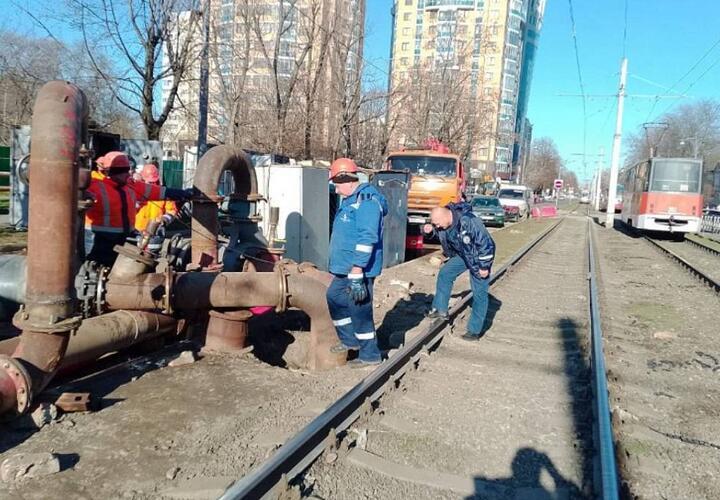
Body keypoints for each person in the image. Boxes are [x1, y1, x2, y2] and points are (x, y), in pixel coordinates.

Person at [326, 158, 388, 368]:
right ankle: (350, 340)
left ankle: (370, 354)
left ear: (346, 179)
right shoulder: (351, 200)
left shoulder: (367, 202)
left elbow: (367, 237)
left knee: (359, 309)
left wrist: (358, 268)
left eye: (336, 183)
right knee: (334, 296)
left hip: (359, 269)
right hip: (346, 266)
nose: (335, 188)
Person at [84, 152, 190, 266]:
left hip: (124, 238)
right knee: (93, 273)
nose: (129, 174)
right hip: (97, 240)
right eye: (125, 171)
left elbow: (158, 192)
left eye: (129, 170)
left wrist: (184, 193)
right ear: (109, 172)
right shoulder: (92, 185)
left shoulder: (129, 185)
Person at [423, 202, 495, 341]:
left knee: (479, 292)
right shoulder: (444, 224)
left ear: (446, 217)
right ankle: (440, 309)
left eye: (437, 224)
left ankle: (474, 331)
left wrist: (484, 266)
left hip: (478, 257)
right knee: (445, 273)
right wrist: (430, 231)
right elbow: (438, 236)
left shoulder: (469, 221)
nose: (437, 227)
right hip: (463, 255)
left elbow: (487, 244)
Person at [134, 164, 178, 232]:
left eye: (154, 181)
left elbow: (172, 211)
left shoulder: (163, 193)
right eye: (149, 182)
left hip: (156, 231)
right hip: (137, 231)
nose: (152, 184)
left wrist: (164, 219)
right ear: (143, 179)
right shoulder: (136, 191)